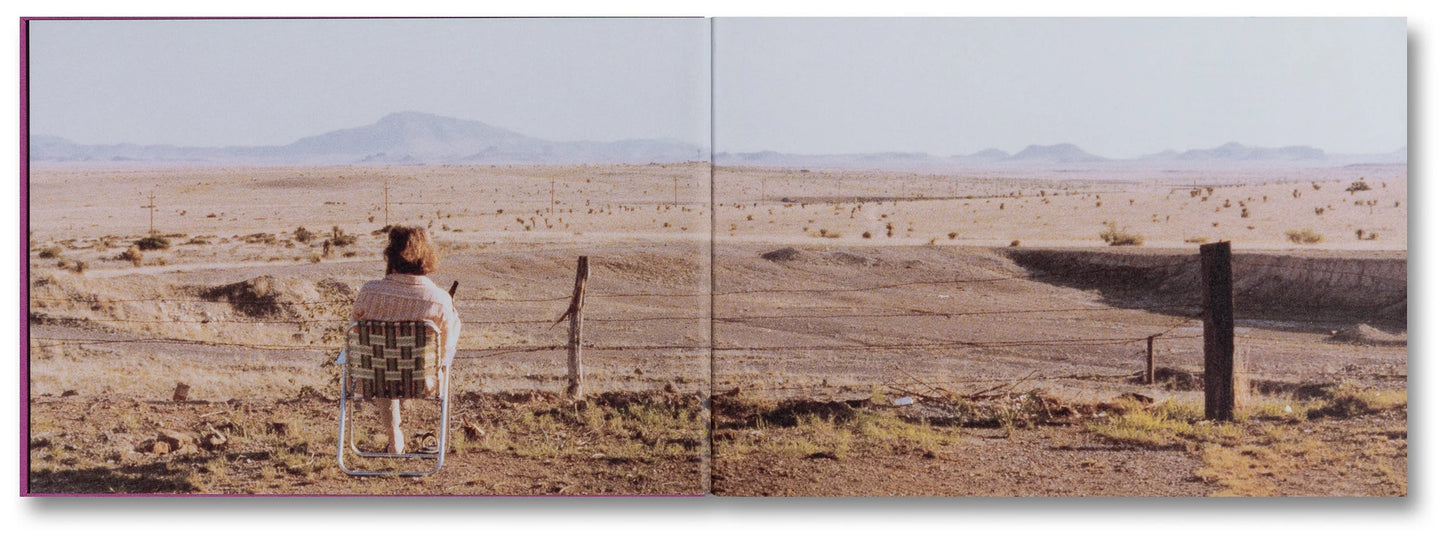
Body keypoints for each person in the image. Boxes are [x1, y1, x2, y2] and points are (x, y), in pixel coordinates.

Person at [351, 226, 461, 453]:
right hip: (423, 382)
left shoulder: (369, 292)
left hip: (375, 379)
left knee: (383, 361)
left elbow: (354, 330)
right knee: (451, 326)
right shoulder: (439, 300)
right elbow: (445, 351)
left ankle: (395, 440)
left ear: (390, 254)